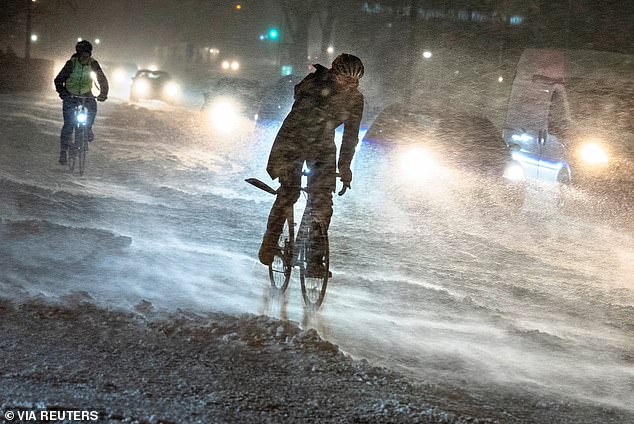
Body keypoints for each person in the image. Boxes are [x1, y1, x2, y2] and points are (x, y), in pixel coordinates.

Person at [258, 53, 365, 273]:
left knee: (322, 201)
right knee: (290, 192)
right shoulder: (316, 85)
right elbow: (300, 117)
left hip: (322, 144)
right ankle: (270, 241)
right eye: (345, 81)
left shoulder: (355, 99)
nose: (349, 87)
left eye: (354, 82)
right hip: (293, 139)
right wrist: (289, 164)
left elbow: (350, 136)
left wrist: (345, 167)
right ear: (335, 74)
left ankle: (315, 260)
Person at [54, 40, 108, 165]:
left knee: (93, 108)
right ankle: (63, 152)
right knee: (68, 125)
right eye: (83, 55)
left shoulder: (93, 64)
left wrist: (103, 94)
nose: (86, 58)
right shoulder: (71, 64)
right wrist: (63, 93)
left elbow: (102, 79)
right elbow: (58, 80)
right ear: (78, 55)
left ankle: (88, 128)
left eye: (88, 55)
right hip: (70, 95)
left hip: (85, 93)